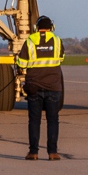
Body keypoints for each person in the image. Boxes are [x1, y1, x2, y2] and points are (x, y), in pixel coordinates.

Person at [16, 16, 65, 160]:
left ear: (36, 28)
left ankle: (33, 152)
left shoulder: (30, 41)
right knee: (53, 120)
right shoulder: (57, 40)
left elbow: (22, 63)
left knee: (34, 121)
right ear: (51, 28)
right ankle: (52, 152)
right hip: (53, 86)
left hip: (34, 87)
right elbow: (61, 58)